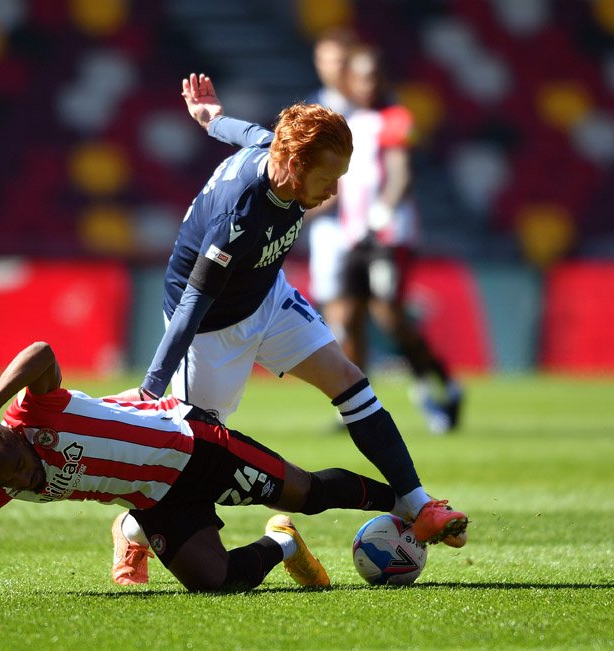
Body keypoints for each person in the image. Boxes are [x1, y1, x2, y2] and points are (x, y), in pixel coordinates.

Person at [106, 73, 467, 583]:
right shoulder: (241, 215)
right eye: (329, 179)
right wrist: (150, 390)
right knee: (197, 466)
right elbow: (191, 304)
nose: (334, 191)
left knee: (348, 379)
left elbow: (245, 131)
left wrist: (209, 117)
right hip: (209, 330)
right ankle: (131, 528)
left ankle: (418, 502)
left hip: (267, 296)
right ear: (295, 165)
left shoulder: (275, 152)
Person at [0, 341, 429, 599]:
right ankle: (284, 544)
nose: (27, 477)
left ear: (12, 434)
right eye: (14, 481)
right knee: (215, 584)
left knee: (306, 492)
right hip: (155, 498)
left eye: (22, 463)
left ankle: (408, 505)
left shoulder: (32, 411)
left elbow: (41, 351)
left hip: (193, 446)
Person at [334, 45, 463, 434]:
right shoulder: (348, 121)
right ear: (350, 81)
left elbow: (400, 171)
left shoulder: (396, 117)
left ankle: (435, 383)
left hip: (389, 234)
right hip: (353, 235)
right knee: (348, 318)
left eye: (374, 76)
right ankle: (359, 409)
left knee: (388, 313)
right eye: (361, 76)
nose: (368, 84)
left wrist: (383, 210)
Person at [304, 28, 356, 356]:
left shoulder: (366, 105)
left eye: (338, 61)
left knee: (371, 302)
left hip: (365, 217)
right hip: (330, 220)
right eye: (325, 61)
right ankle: (350, 384)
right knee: (333, 296)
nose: (332, 67)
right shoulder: (313, 108)